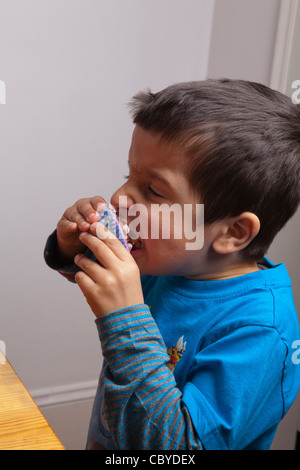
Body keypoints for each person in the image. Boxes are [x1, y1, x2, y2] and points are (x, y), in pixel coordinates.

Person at [44, 79, 300, 450]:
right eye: (127, 176)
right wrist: (70, 246)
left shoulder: (260, 331)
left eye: (153, 190)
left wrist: (125, 319)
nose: (119, 197)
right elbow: (95, 273)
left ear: (233, 232)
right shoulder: (173, 259)